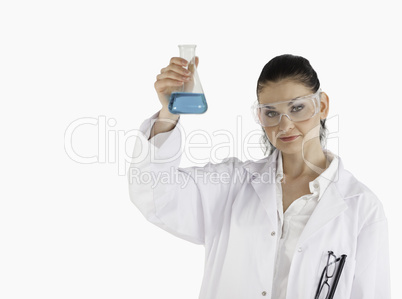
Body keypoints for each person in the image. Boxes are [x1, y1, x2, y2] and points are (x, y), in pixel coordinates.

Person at [127, 54, 391, 299]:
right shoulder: (232, 184)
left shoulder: (361, 208)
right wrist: (168, 113)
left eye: (297, 108)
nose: (285, 125)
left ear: (321, 106)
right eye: (271, 113)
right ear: (260, 116)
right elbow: (155, 197)